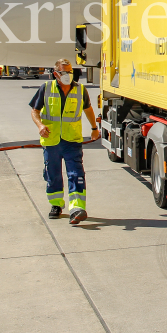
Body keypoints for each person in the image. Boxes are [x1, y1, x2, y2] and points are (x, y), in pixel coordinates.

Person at [29, 59, 98, 224]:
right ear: (56, 74)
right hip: (51, 140)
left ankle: (77, 208)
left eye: (70, 71)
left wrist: (94, 128)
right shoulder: (46, 88)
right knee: (53, 175)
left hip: (71, 140)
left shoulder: (81, 90)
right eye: (64, 72)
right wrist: (40, 125)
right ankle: (56, 205)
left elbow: (88, 109)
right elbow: (35, 111)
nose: (68, 75)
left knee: (76, 174)